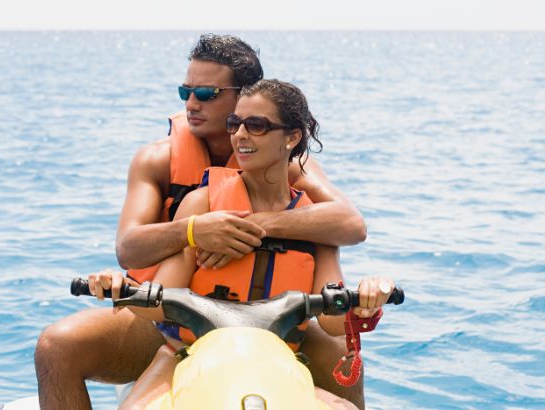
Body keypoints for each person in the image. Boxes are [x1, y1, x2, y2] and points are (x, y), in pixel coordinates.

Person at [35, 34, 368, 409]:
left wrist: (248, 226)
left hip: (273, 321)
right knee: (56, 344)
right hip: (170, 317)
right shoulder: (158, 161)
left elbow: (349, 223)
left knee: (346, 353)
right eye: (185, 91)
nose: (191, 103)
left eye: (206, 93)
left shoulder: (292, 167)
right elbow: (128, 247)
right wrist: (196, 229)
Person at [90, 78, 394, 410]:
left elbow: (334, 322)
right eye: (235, 123)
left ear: (292, 137)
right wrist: (119, 287)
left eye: (257, 125)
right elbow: (161, 300)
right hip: (188, 356)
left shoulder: (315, 224)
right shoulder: (201, 203)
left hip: (278, 362)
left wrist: (368, 301)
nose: (240, 135)